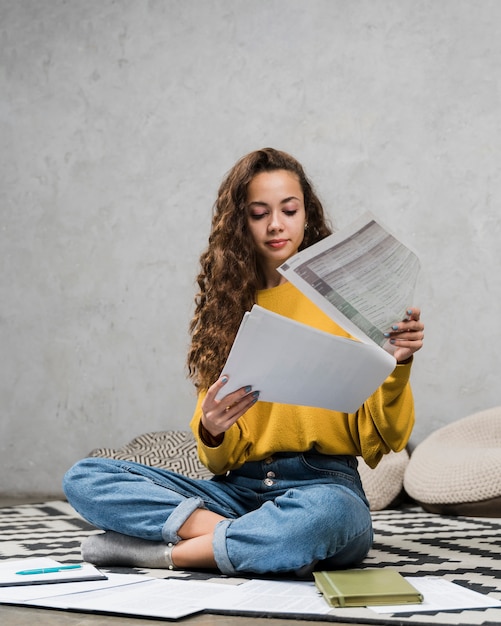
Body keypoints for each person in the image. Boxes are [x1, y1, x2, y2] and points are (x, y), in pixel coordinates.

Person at [63, 148, 424, 577]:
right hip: (238, 490)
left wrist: (396, 366)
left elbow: (387, 438)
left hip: (324, 486)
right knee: (86, 478)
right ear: (240, 222)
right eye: (259, 213)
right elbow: (216, 462)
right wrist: (212, 431)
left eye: (289, 210)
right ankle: (243, 539)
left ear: (306, 214)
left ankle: (169, 554)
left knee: (334, 517)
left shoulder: (345, 297)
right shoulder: (228, 307)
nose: (276, 224)